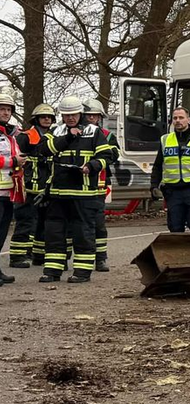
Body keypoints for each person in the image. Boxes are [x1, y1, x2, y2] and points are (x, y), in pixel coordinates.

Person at [42, 96, 111, 283]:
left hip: (83, 193)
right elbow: (44, 149)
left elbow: (107, 155)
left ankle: (82, 272)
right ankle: (52, 271)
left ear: (80, 113)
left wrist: (92, 165)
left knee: (83, 233)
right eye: (66, 114)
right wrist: (68, 137)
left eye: (73, 114)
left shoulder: (94, 132)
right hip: (57, 193)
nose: (70, 118)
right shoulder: (56, 131)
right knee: (54, 233)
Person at [151, 107, 190, 234]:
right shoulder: (165, 140)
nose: (178, 121)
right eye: (175, 118)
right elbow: (158, 166)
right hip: (173, 191)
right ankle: (179, 254)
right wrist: (153, 186)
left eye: (181, 118)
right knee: (175, 228)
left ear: (188, 120)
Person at [10, 103, 54, 268]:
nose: (46, 119)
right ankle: (17, 256)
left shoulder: (54, 137)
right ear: (36, 119)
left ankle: (39, 255)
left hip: (46, 188)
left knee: (44, 222)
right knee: (25, 221)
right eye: (43, 117)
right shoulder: (26, 136)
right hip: (28, 188)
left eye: (49, 117)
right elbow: (17, 160)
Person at [82, 100, 114, 271]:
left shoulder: (108, 135)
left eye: (95, 115)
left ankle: (100, 258)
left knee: (99, 223)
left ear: (100, 117)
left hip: (100, 185)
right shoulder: (78, 133)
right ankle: (65, 257)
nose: (92, 118)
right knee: (75, 222)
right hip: (78, 184)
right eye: (89, 115)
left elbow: (113, 154)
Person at [0, 91, 22, 283]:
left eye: (8, 110)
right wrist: (13, 160)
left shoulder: (10, 134)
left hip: (8, 192)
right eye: (2, 109)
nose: (6, 113)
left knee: (2, 233)